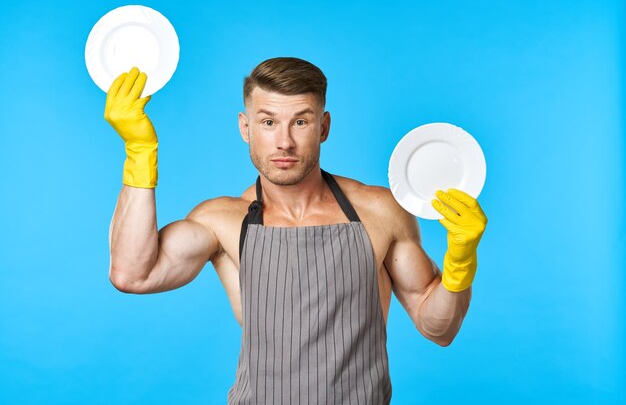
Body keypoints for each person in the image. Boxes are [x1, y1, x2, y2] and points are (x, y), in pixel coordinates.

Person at [104, 57, 488, 405]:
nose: (284, 141)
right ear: (245, 127)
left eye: (300, 121)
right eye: (268, 122)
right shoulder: (222, 221)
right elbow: (133, 273)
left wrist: (460, 259)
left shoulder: (379, 211)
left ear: (323, 127)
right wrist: (140, 151)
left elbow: (438, 327)